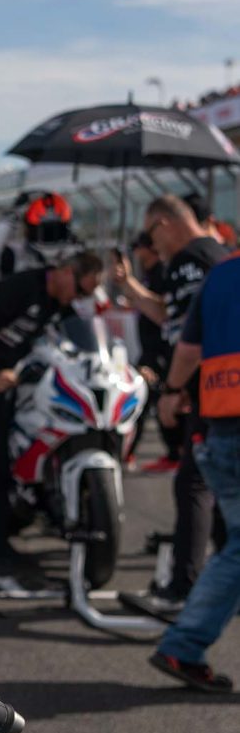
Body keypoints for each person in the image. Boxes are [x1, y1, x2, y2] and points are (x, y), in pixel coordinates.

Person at [0, 251, 104, 587]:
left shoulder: (58, 305)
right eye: (80, 290)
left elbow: (82, 336)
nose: (80, 298)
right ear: (65, 271)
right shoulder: (21, 288)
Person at [113, 195, 227, 616]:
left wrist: (174, 390)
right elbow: (170, 315)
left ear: (164, 224)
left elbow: (189, 338)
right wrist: (130, 288)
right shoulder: (212, 255)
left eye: (150, 236)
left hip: (211, 391)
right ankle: (219, 584)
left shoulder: (188, 260)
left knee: (194, 485)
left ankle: (181, 590)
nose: (152, 247)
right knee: (214, 487)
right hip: (217, 389)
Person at [148, 250, 240, 692]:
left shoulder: (220, 275)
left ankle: (183, 646)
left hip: (220, 430)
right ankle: (183, 645)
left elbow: (187, 351)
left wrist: (170, 391)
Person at [128, 231, 181, 471]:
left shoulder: (162, 273)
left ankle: (174, 454)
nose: (136, 253)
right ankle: (170, 453)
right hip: (150, 350)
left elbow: (164, 311)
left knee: (147, 400)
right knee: (144, 401)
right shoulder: (149, 274)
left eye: (139, 247)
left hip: (158, 352)